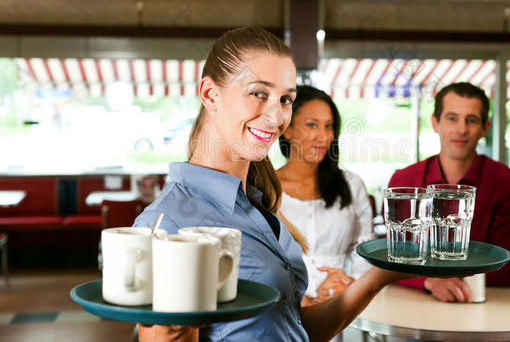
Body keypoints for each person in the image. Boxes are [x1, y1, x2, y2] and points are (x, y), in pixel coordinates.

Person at [133, 26, 416, 342]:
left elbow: (293, 328)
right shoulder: (167, 223)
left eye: (285, 99)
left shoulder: (257, 204)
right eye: (258, 93)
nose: (276, 115)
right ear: (210, 94)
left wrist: (378, 276)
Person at [388, 82, 510, 303]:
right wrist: (429, 281)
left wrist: (437, 276)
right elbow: (393, 257)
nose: (461, 130)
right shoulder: (404, 182)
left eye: (471, 120)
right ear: (435, 122)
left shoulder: (509, 185)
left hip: (486, 304)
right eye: (452, 118)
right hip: (416, 303)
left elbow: (509, 268)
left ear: (485, 127)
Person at [277, 85, 374, 307]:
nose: (323, 136)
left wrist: (351, 285)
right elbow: (260, 258)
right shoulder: (265, 188)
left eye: (329, 126)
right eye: (312, 125)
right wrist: (301, 297)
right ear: (287, 129)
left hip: (338, 304)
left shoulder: (351, 185)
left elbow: (364, 249)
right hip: (283, 308)